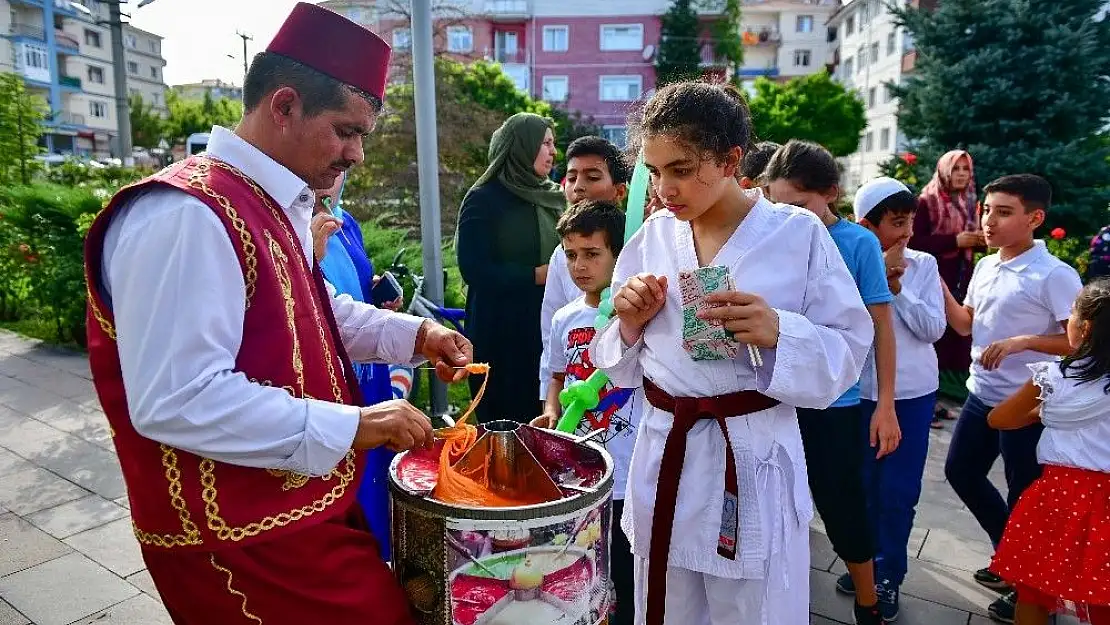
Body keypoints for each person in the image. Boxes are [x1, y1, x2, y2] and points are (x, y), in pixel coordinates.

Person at [82, 5, 473, 623]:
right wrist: (357, 425)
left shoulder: (271, 196)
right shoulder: (186, 214)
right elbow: (176, 399)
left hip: (296, 510)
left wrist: (416, 334)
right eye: (347, 130)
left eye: (363, 135)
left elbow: (309, 313)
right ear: (284, 106)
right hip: (236, 540)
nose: (357, 155)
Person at [589, 80, 873, 625]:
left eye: (681, 168)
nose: (665, 187)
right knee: (666, 603)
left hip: (749, 456)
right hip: (666, 451)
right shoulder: (652, 237)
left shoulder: (795, 235)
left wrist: (779, 331)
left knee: (750, 607)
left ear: (730, 158)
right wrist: (627, 322)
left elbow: (847, 352)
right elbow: (616, 366)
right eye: (655, 170)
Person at [764, 141, 900, 625]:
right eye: (776, 203)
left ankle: (868, 602)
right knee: (775, 505)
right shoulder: (769, 237)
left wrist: (885, 404)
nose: (788, 216)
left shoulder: (857, 243)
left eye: (799, 206)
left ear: (831, 195)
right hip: (774, 397)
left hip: (836, 402)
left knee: (841, 502)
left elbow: (880, 326)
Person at [939, 174, 1083, 623]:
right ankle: (1013, 562)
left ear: (1035, 219)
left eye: (1003, 212)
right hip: (981, 397)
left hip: (1030, 406)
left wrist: (1025, 341)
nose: (988, 220)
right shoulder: (986, 266)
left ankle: (1033, 594)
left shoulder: (1056, 275)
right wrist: (933, 281)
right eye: (986, 210)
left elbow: (1080, 343)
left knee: (1026, 499)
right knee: (961, 472)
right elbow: (965, 325)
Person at [837, 177, 947, 620]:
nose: (906, 233)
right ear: (867, 225)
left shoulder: (923, 265)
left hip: (912, 396)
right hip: (859, 396)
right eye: (896, 223)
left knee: (898, 492)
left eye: (909, 222)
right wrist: (873, 279)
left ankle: (889, 576)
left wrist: (897, 292)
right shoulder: (846, 261)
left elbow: (934, 329)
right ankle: (865, 562)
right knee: (861, 488)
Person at [531, 199, 641, 625]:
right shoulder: (563, 317)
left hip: (628, 470)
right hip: (580, 469)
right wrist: (551, 410)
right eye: (571, 255)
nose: (579, 266)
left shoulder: (636, 316)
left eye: (592, 254)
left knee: (630, 574)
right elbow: (556, 374)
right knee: (584, 570)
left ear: (619, 253)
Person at [986, 279, 1110, 625]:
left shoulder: (1055, 377)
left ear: (1083, 328)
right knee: (1103, 596)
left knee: (1035, 589)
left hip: (1058, 496)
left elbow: (999, 419)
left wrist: (1043, 411)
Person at [310, 172, 404, 561]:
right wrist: (309, 258)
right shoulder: (287, 230)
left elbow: (354, 298)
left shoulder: (346, 224)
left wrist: (378, 291)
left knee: (375, 478)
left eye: (338, 174)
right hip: (329, 385)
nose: (329, 181)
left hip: (370, 376)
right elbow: (304, 312)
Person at [456, 112, 563, 423]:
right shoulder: (485, 199)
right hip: (501, 335)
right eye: (544, 143)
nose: (553, 152)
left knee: (547, 422)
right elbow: (475, 269)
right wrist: (535, 275)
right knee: (506, 425)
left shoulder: (554, 197)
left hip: (545, 326)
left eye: (553, 144)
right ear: (521, 146)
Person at [538, 136, 631, 400]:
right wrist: (548, 401)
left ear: (620, 191)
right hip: (573, 396)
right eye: (572, 177)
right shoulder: (560, 255)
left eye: (592, 177)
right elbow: (551, 329)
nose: (578, 187)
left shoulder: (642, 247)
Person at [910, 150, 984, 425]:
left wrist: (975, 242)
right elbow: (914, 244)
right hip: (932, 280)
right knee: (932, 339)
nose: (962, 174)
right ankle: (925, 404)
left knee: (951, 343)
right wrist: (955, 240)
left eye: (966, 169)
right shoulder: (927, 202)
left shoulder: (969, 203)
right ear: (944, 171)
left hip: (959, 280)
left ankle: (935, 400)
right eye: (956, 169)